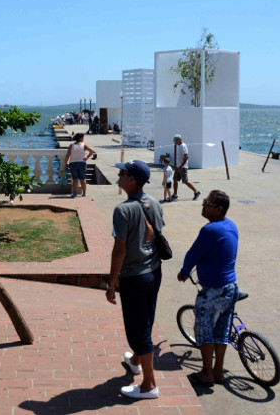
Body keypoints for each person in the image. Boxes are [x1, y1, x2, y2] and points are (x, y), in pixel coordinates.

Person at [106, 160, 164, 400]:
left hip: (134, 276)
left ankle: (149, 384)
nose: (119, 176)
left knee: (138, 328)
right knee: (146, 318)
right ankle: (137, 359)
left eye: (122, 173)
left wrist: (111, 283)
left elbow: (119, 250)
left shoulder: (123, 210)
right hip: (154, 271)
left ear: (132, 180)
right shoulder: (156, 203)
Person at [177, 190, 238, 387]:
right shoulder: (231, 226)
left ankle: (206, 373)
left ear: (218, 209)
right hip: (230, 287)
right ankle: (218, 371)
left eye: (207, 203)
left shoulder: (209, 230)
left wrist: (185, 272)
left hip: (213, 289)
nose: (203, 205)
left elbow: (192, 254)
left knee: (204, 330)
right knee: (221, 330)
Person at [64, 133, 95, 198]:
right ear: (80, 138)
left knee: (75, 179)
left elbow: (67, 155)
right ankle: (84, 193)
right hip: (82, 163)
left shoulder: (71, 145)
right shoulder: (84, 145)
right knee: (82, 178)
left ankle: (75, 194)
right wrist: (87, 157)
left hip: (73, 163)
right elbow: (92, 151)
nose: (83, 139)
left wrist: (65, 164)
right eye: (83, 138)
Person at [173, 134, 201, 201]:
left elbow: (187, 156)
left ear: (179, 140)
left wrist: (182, 166)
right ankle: (175, 195)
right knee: (175, 179)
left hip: (182, 167)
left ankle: (196, 192)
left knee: (185, 181)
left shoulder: (183, 146)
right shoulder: (179, 146)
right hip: (178, 167)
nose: (175, 143)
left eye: (175, 141)